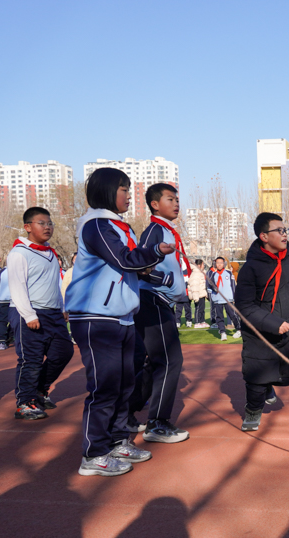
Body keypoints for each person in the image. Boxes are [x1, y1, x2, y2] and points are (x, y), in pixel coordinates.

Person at [65, 168, 174, 475]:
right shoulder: (97, 224)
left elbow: (129, 265)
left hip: (122, 316)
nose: (129, 195)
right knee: (105, 386)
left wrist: (160, 274)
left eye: (128, 189)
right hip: (96, 316)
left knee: (125, 383)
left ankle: (115, 441)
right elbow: (125, 259)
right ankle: (93, 454)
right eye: (123, 189)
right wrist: (155, 251)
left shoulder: (116, 225)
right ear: (106, 192)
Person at [129, 183, 191, 443]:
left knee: (153, 361)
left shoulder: (168, 230)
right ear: (155, 204)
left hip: (160, 302)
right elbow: (137, 263)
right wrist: (164, 280)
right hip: (152, 300)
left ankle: (125, 412)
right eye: (170, 199)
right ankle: (157, 424)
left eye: (177, 199)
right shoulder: (155, 230)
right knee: (169, 361)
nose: (176, 203)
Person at [234, 212, 289, 432]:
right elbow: (244, 306)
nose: (285, 234)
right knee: (256, 378)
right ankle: (253, 410)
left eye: (285, 230)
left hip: (287, 327)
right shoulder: (250, 268)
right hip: (259, 331)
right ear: (264, 236)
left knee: (286, 375)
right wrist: (272, 323)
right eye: (279, 230)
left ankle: (268, 387)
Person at [9, 208, 75, 420]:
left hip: (54, 312)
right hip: (30, 311)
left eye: (50, 223)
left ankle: (39, 391)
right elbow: (17, 286)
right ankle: (24, 403)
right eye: (41, 223)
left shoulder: (50, 252)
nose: (48, 227)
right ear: (28, 227)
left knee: (64, 352)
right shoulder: (19, 253)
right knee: (32, 359)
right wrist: (29, 315)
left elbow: (55, 283)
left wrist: (62, 306)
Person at [207, 256, 240, 341]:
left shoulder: (229, 273)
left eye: (221, 263)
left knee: (233, 314)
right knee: (219, 317)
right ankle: (222, 332)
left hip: (228, 299)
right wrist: (213, 293)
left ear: (224, 264)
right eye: (217, 263)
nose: (219, 264)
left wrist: (235, 297)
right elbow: (209, 286)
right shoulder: (213, 275)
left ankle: (239, 329)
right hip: (218, 300)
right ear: (215, 264)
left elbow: (233, 286)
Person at [0, 263, 11, 349]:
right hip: (11, 299)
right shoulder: (4, 270)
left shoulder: (3, 271)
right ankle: (3, 340)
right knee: (6, 320)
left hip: (5, 299)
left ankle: (3, 340)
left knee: (3, 320)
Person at [188, 259, 208, 328]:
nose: (204, 266)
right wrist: (195, 296)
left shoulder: (201, 273)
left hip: (202, 293)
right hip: (198, 294)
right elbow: (194, 285)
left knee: (202, 309)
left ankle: (202, 321)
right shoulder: (196, 274)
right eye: (203, 264)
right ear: (199, 265)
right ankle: (197, 322)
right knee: (198, 309)